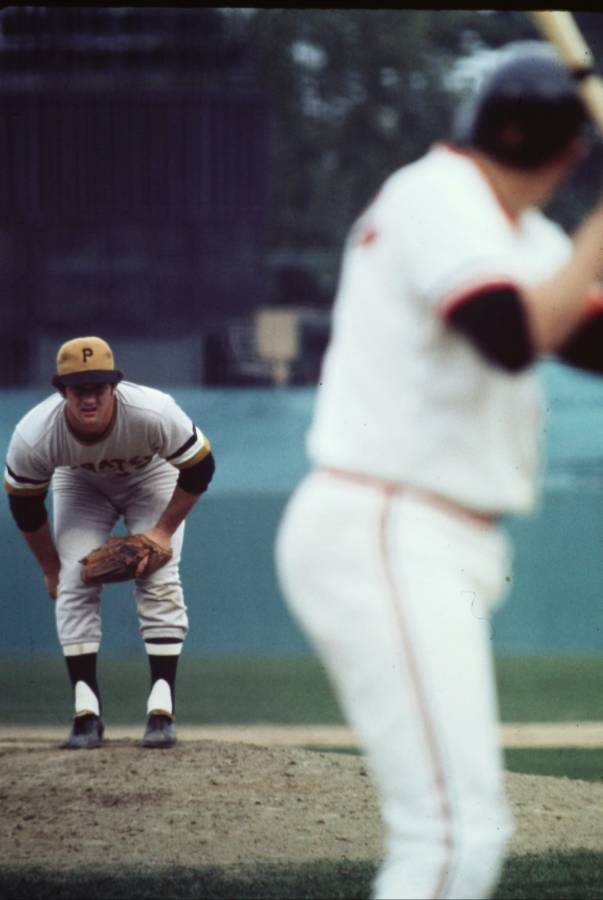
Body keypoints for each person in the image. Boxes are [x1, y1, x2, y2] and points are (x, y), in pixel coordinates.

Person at [275, 41, 603, 900]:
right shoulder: (436, 194)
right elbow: (509, 336)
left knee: (461, 832)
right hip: (388, 521)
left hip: (436, 537)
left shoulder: (522, 233)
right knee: (452, 837)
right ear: (571, 154)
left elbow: (588, 339)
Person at [4, 336, 215, 750]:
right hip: (80, 482)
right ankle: (86, 713)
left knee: (159, 576)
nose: (89, 398)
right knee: (74, 580)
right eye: (78, 389)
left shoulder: (152, 412)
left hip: (151, 475)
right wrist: (51, 569)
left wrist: (161, 532)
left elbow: (200, 467)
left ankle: (162, 710)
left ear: (114, 386)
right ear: (61, 391)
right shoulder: (34, 434)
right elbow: (25, 506)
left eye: (97, 387)